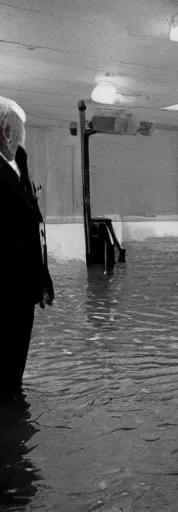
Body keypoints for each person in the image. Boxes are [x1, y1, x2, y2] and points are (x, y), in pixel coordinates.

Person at [0, 97, 54, 395]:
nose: (22, 137)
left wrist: (41, 278)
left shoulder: (19, 165)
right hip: (5, 290)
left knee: (14, 368)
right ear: (7, 131)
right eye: (18, 131)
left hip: (23, 287)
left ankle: (14, 420)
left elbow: (32, 228)